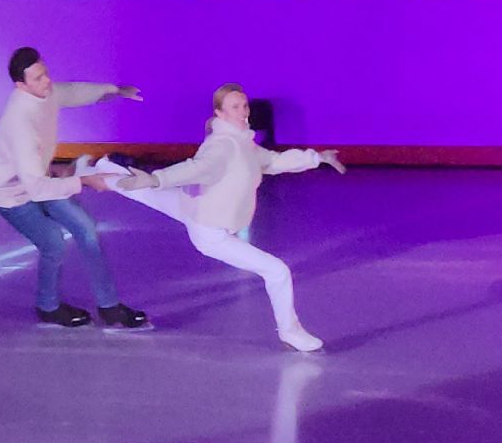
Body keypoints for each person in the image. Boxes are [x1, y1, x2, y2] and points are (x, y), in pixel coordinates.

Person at [111, 83, 343, 353]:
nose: (243, 111)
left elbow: (273, 161)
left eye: (245, 105)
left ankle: (97, 169)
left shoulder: (243, 142)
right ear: (220, 114)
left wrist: (317, 158)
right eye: (235, 107)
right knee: (277, 271)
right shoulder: (223, 145)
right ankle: (291, 332)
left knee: (143, 193)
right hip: (210, 231)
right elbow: (197, 168)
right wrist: (156, 178)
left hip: (195, 207)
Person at [0, 47, 151, 330]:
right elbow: (35, 189)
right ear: (20, 85)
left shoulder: (45, 92)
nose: (46, 81)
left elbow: (71, 92)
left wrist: (115, 91)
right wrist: (82, 181)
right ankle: (48, 307)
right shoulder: (19, 123)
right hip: (8, 193)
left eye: (45, 74)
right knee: (53, 242)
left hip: (37, 179)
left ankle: (109, 307)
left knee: (86, 228)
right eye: (37, 79)